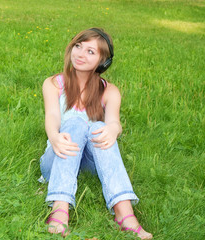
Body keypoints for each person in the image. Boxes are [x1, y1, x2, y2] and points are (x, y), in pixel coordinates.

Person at [39, 28, 153, 239]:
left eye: (91, 51)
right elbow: (52, 116)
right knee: (75, 123)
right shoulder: (53, 84)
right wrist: (54, 137)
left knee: (97, 127)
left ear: (103, 61)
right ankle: (59, 210)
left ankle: (124, 214)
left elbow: (114, 123)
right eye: (78, 46)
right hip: (57, 158)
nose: (80, 54)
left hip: (90, 165)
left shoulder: (110, 91)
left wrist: (112, 129)